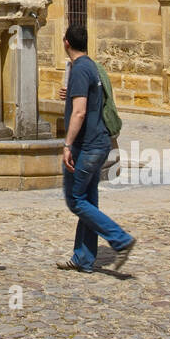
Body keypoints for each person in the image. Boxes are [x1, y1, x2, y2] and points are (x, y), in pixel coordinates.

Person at [57, 23, 135, 273]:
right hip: (99, 143)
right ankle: (83, 258)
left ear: (66, 42)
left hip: (87, 146)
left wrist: (67, 144)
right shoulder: (91, 66)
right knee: (88, 200)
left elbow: (79, 112)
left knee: (75, 200)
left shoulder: (79, 69)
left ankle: (120, 239)